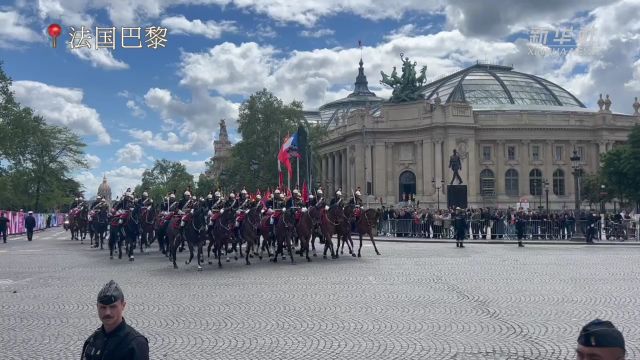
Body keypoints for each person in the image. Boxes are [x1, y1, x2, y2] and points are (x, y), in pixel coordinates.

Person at [81, 280, 149, 360]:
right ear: (97, 307)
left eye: (112, 307)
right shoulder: (93, 341)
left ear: (123, 306)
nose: (107, 312)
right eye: (103, 307)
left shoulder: (136, 344)